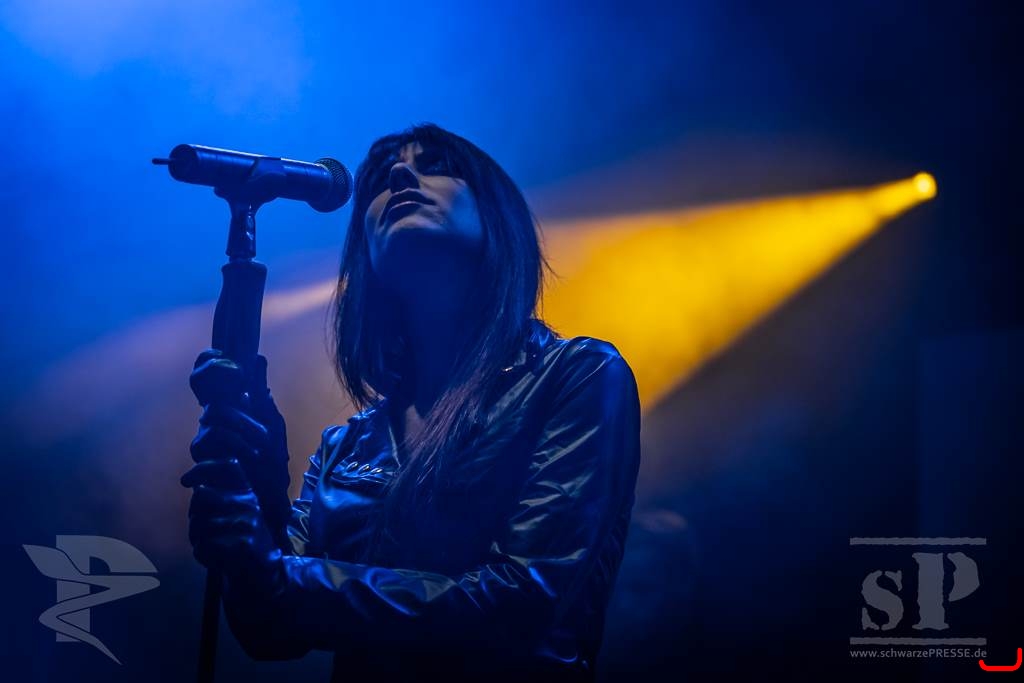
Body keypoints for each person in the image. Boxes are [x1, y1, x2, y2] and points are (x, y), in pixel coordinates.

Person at [180, 123, 642, 682]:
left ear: (496, 214)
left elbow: (525, 602)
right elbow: (270, 631)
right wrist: (261, 490)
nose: (400, 175)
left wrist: (281, 577)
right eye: (381, 178)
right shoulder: (346, 445)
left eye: (436, 166)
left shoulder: (576, 376)